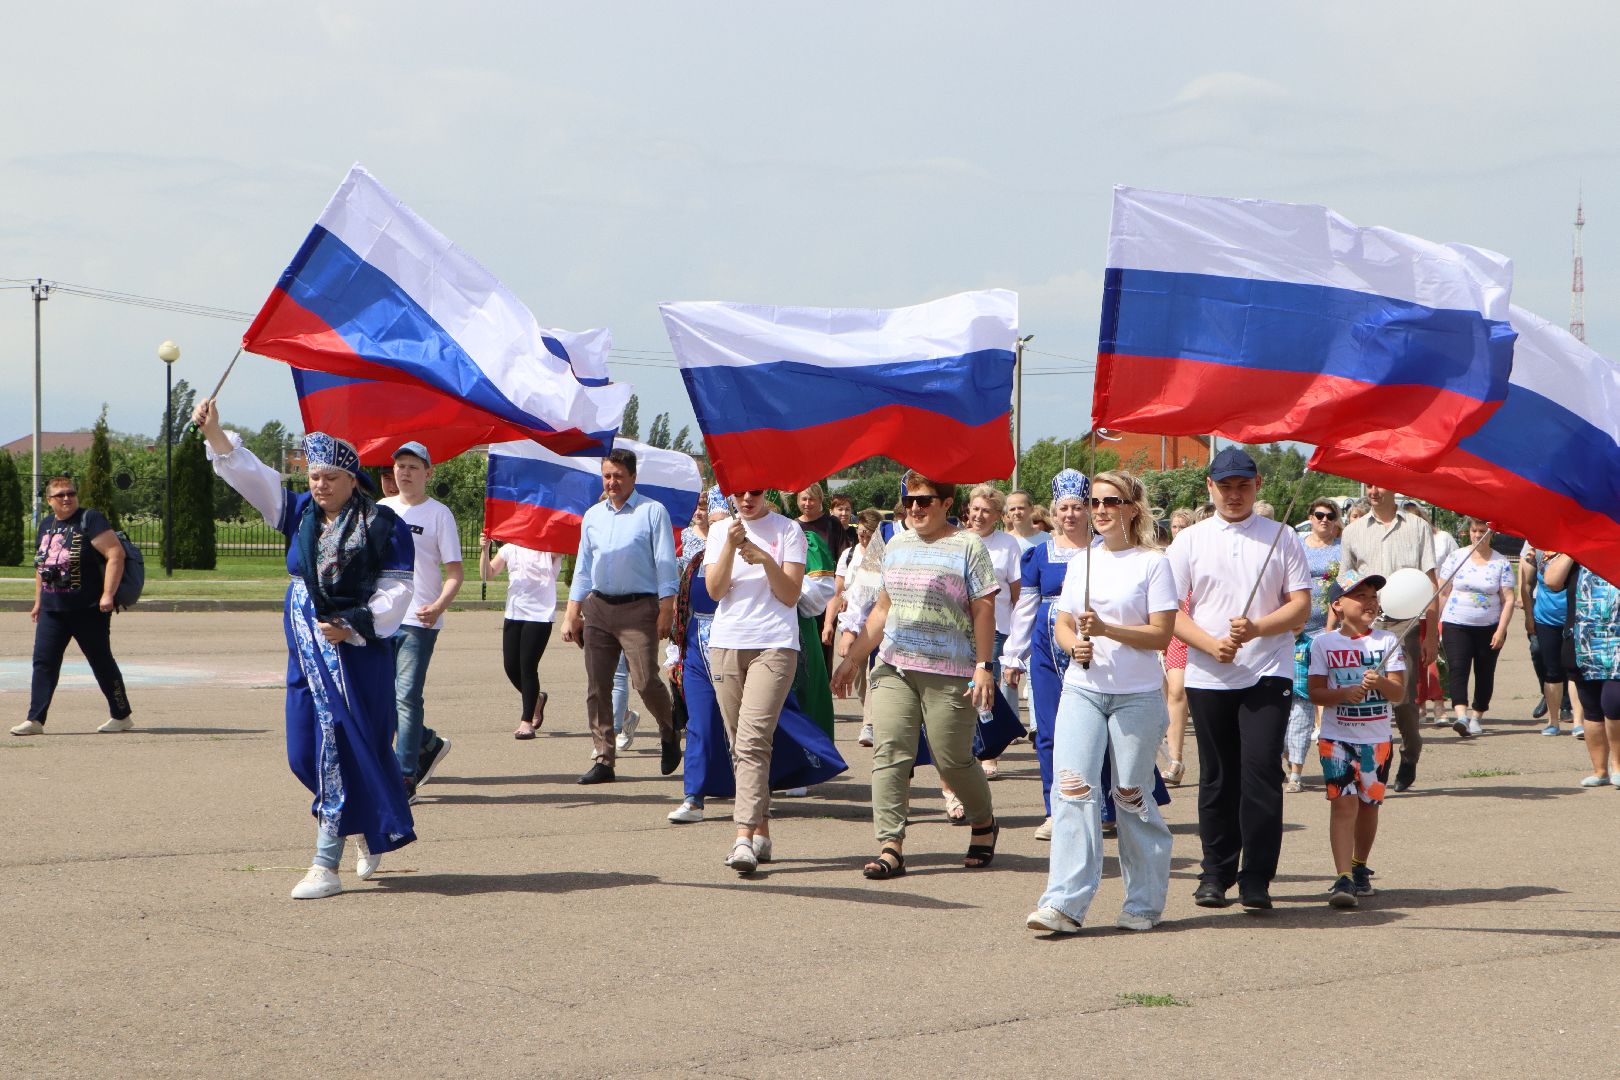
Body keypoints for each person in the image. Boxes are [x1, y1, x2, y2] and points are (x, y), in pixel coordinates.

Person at [194, 400, 416, 899]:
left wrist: (352, 625)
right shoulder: (298, 514)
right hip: (305, 650)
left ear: (352, 479)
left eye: (331, 477)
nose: (320, 485)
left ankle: (324, 863)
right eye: (315, 476)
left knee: (342, 745)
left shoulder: (383, 525)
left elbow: (399, 588)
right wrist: (215, 434)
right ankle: (363, 821)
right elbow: (254, 478)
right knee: (302, 753)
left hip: (355, 653)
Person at [1026, 471, 1177, 935]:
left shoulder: (1153, 563)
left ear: (1133, 508)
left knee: (1131, 795)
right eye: (1094, 501)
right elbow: (1063, 623)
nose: (1100, 510)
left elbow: (1162, 634)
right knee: (1072, 788)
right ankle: (1063, 903)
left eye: (1111, 501)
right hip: (1083, 689)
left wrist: (1109, 630)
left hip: (1137, 695)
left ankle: (1143, 903)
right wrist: (1073, 645)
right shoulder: (1082, 562)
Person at [832, 473, 1000, 879]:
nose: (914, 508)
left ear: (946, 503)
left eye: (924, 501)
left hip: (950, 670)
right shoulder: (895, 544)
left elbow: (983, 610)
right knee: (889, 752)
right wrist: (853, 659)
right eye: (909, 501)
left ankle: (983, 821)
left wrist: (984, 666)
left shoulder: (968, 546)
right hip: (895, 667)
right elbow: (882, 609)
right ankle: (890, 845)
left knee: (951, 759)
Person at [1169, 448, 1310, 911]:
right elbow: (1169, 612)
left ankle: (1257, 878)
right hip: (1209, 674)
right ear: (1210, 487)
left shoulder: (1283, 536)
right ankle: (1215, 873)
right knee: (1217, 777)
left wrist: (1256, 629)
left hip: (1268, 671)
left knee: (1261, 773)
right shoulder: (1189, 541)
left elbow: (1300, 606)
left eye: (1243, 486)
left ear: (1257, 485)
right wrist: (1211, 645)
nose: (1234, 495)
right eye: (1225, 486)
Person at [561, 447, 682, 784]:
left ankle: (669, 729)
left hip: (639, 608)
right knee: (598, 686)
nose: (611, 482)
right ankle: (604, 758)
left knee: (644, 680)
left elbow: (665, 563)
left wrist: (667, 609)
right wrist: (572, 614)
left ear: (633, 477)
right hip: (598, 609)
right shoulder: (593, 516)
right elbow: (583, 568)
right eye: (607, 476)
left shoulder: (652, 511)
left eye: (618, 476)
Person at [704, 488, 808, 872]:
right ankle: (761, 829)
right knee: (741, 744)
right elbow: (715, 591)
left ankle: (743, 838)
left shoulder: (788, 529)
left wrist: (765, 559)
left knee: (752, 740)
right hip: (727, 643)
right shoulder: (720, 531)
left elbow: (790, 594)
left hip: (775, 644)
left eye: (756, 492)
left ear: (767, 492)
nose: (748, 498)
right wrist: (730, 546)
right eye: (741, 492)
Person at [1002, 471, 1092, 838]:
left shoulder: (1104, 550)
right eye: (1064, 508)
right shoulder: (1039, 555)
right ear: (1053, 512)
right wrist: (1013, 656)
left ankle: (1102, 805)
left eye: (1077, 507)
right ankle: (1056, 809)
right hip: (1046, 650)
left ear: (1089, 510)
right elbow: (1025, 609)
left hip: (1096, 648)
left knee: (1096, 728)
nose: (1070, 514)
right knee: (1050, 729)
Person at [1309, 571, 1405, 909]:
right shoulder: (1323, 644)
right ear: (1337, 605)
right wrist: (1343, 693)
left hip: (1376, 742)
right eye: (1360, 596)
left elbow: (1399, 693)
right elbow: (1315, 692)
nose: (1369, 602)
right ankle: (1343, 877)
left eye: (1373, 596)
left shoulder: (1387, 641)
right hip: (1336, 740)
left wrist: (1380, 683)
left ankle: (1359, 865)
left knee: (1367, 805)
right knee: (1343, 803)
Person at [11, 475, 133, 737]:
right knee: (43, 662)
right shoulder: (46, 524)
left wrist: (108, 594)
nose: (67, 498)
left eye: (71, 493)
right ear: (50, 500)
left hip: (88, 608)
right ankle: (35, 719)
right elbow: (42, 566)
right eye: (61, 495)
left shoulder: (90, 519)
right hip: (53, 609)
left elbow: (116, 554)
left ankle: (121, 714)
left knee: (100, 661)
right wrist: (38, 601)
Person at [1337, 484, 1437, 792]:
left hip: (1404, 622)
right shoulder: (1352, 531)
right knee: (1367, 694)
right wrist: (1341, 622)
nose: (1373, 490)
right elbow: (1344, 579)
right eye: (1368, 485)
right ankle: (1376, 761)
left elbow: (1430, 583)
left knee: (1401, 696)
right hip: (1365, 621)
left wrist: (1431, 634)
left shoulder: (1417, 527)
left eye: (1378, 484)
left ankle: (1410, 751)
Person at [380, 441, 463, 800]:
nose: (405, 472)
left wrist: (439, 606)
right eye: (400, 466)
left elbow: (455, 573)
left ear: (428, 473)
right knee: (382, 697)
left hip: (419, 620)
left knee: (406, 695)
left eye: (413, 467)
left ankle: (405, 778)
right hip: (382, 617)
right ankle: (427, 742)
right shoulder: (381, 510)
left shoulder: (438, 514)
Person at [1541, 556, 1620, 787]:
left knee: (1614, 703)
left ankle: (1618, 766)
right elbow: (1552, 581)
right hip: (1584, 644)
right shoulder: (1577, 555)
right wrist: (1570, 551)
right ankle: (1600, 771)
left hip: (1616, 643)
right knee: (1591, 709)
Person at [963, 484, 1022, 780]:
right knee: (962, 689)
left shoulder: (1008, 545)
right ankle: (965, 746)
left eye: (986, 511)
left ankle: (989, 753)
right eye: (975, 509)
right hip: (960, 628)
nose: (979, 515)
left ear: (998, 515)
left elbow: (1017, 593)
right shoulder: (957, 539)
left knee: (987, 689)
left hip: (996, 628)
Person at [1437, 519, 1516, 737]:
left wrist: (1501, 630)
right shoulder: (1456, 557)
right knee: (1458, 668)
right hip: (1455, 623)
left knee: (1484, 672)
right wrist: (1437, 622)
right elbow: (1443, 592)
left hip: (1489, 626)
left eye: (1483, 531)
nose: (1478, 535)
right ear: (1468, 532)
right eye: (1474, 530)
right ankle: (1461, 715)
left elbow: (1508, 599)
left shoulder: (1501, 562)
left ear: (1491, 534)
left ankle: (1476, 716)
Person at [1285, 498, 1343, 791]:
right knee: (1290, 693)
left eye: (1330, 516)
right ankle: (1287, 755)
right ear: (1310, 517)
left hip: (1324, 629)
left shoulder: (1341, 550)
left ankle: (1318, 748)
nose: (1324, 519)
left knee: (1314, 692)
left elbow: (1343, 589)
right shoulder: (1297, 545)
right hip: (1293, 630)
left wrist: (1332, 627)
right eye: (1319, 514)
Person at [480, 535, 557, 740]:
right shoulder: (509, 548)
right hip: (514, 613)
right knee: (510, 667)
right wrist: (485, 549)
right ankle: (536, 699)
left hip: (540, 615)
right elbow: (487, 573)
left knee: (528, 667)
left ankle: (527, 721)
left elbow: (561, 547)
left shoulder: (549, 548)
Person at [1521, 546, 1583, 736]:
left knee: (1574, 670)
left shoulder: (1580, 550)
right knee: (1551, 670)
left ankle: (1578, 722)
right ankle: (1553, 721)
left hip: (1575, 617)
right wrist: (1529, 615)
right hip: (1545, 619)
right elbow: (1526, 583)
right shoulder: (1538, 550)